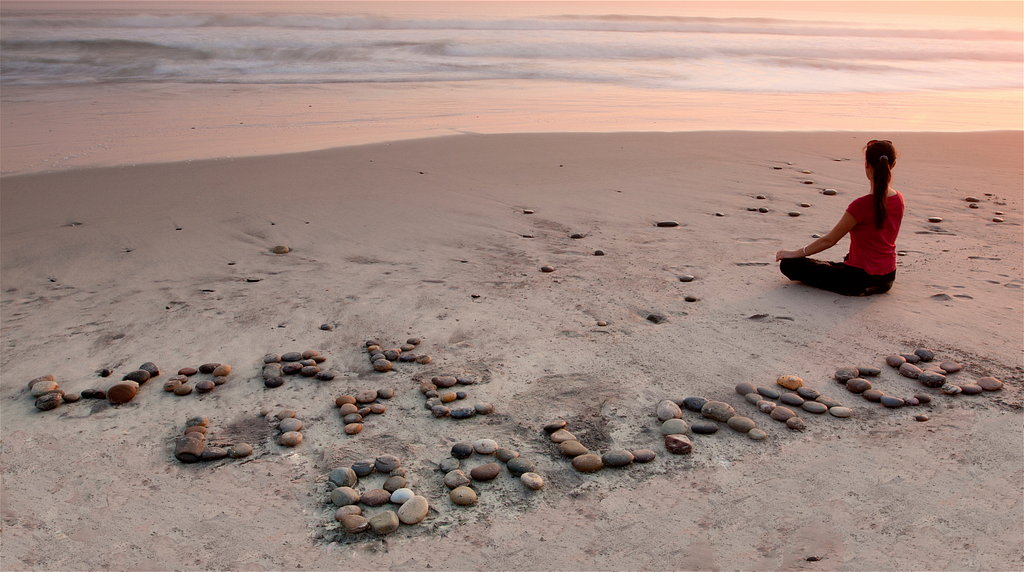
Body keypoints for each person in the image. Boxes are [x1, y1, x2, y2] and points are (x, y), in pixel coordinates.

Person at [775, 140, 903, 296]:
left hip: (858, 280)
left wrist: (795, 253)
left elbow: (829, 241)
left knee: (789, 265)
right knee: (844, 261)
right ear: (893, 165)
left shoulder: (861, 205)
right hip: (887, 278)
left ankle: (827, 267)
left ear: (867, 165)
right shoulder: (899, 199)